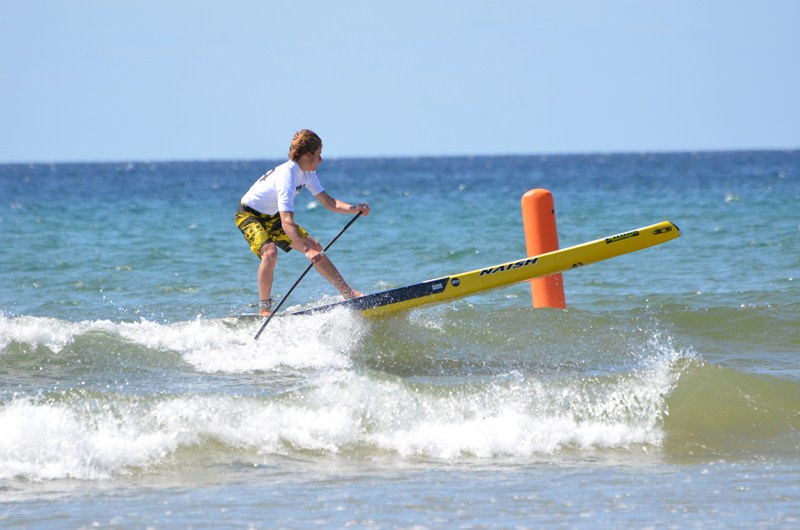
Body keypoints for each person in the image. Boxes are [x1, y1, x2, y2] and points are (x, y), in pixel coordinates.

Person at [235, 129, 370, 317]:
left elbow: (329, 202)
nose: (321, 159)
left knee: (317, 248)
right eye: (318, 154)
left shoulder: (308, 173)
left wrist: (355, 209)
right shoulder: (287, 177)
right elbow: (286, 221)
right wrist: (306, 250)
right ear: (307, 155)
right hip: (249, 214)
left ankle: (349, 294)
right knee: (270, 252)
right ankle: (265, 309)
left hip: (273, 216)